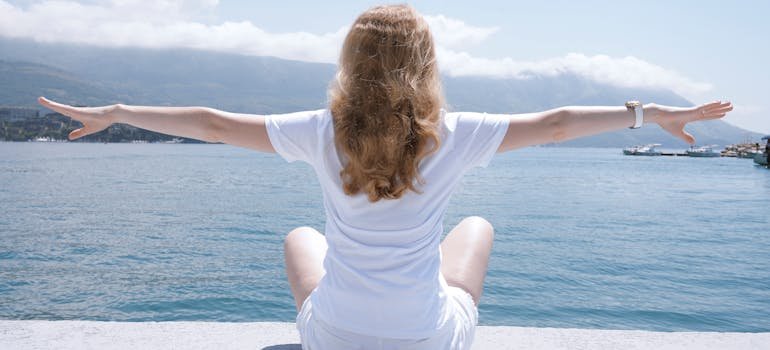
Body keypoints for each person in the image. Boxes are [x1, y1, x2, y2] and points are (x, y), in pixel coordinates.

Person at [38, 4, 733, 349]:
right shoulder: (454, 135)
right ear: (426, 67)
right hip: (427, 337)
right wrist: (652, 112)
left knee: (299, 237)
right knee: (476, 226)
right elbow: (555, 123)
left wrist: (119, 110)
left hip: (333, 337)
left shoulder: (319, 130)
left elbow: (214, 123)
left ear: (349, 62)